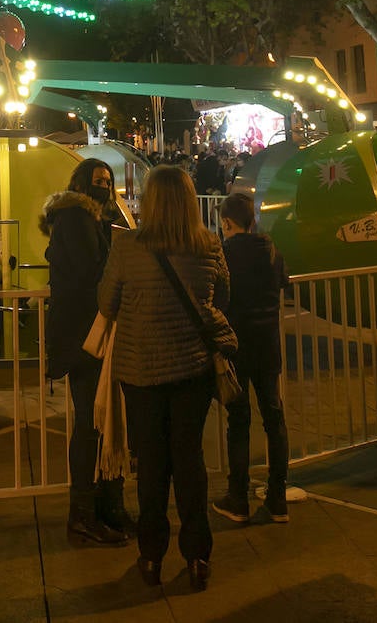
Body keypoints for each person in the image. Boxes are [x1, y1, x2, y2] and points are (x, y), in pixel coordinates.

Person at [97, 165, 236, 592]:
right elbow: (222, 296)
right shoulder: (208, 244)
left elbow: (107, 301)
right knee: (189, 459)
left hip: (140, 371)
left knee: (152, 464)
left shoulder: (127, 246)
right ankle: (197, 555)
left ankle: (151, 555)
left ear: (150, 201)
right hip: (193, 368)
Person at [39, 158, 134, 546]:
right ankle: (84, 512)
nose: (105, 186)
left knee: (107, 420)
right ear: (81, 184)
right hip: (86, 336)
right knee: (92, 422)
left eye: (108, 181)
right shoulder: (77, 218)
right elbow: (93, 272)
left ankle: (108, 504)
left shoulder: (91, 219)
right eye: (98, 180)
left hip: (95, 333)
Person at [212, 191, 290, 525]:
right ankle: (278, 497)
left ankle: (238, 497)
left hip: (237, 347)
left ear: (227, 222)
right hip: (268, 345)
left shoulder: (224, 254)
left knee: (239, 420)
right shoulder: (271, 251)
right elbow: (283, 283)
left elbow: (217, 295)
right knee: (274, 417)